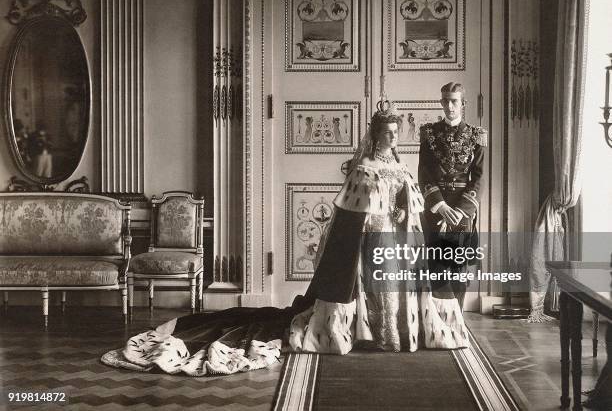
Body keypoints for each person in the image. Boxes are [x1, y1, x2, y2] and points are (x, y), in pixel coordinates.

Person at [102, 105, 469, 377]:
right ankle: (347, 336)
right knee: (364, 291)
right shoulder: (364, 168)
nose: (392, 137)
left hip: (393, 239)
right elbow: (349, 214)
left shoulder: (401, 167)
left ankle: (393, 336)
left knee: (392, 292)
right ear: (375, 135)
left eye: (395, 132)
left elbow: (411, 200)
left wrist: (404, 212)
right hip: (366, 240)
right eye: (386, 132)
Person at [418, 82, 487, 310]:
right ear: (441, 102)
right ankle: (439, 320)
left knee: (458, 268)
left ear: (463, 104)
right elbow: (424, 174)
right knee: (436, 265)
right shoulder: (429, 134)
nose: (449, 106)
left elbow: (478, 177)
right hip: (437, 209)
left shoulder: (476, 135)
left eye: (454, 101)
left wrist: (460, 211)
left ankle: (457, 319)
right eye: (445, 101)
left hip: (461, 210)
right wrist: (440, 206)